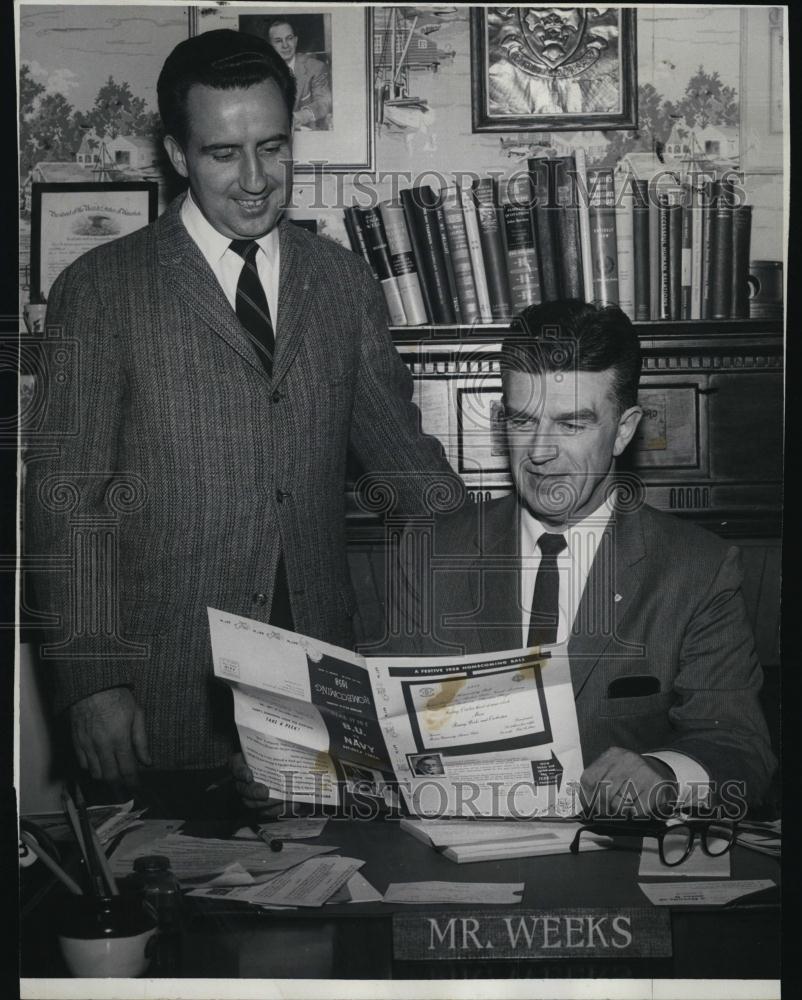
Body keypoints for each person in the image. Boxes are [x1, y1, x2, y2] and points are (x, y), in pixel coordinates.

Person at [24, 29, 454, 796]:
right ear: (178, 155)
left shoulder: (344, 282)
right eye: (224, 153)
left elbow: (408, 470)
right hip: (164, 706)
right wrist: (91, 681)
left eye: (275, 147)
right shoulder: (101, 290)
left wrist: (515, 610)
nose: (256, 179)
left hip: (324, 702)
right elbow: (67, 502)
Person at [236, 299, 777, 814]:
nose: (540, 452)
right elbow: (391, 741)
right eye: (523, 421)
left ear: (625, 430)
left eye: (572, 423)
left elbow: (739, 750)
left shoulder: (697, 569)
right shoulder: (429, 554)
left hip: (611, 874)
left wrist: (663, 776)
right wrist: (302, 771)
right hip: (457, 871)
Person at [267, 18, 332, 130]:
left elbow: (324, 102)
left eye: (289, 38)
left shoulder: (316, 67)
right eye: (278, 41)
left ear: (296, 40)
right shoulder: (262, 71)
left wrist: (300, 117)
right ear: (270, 45)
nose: (285, 45)